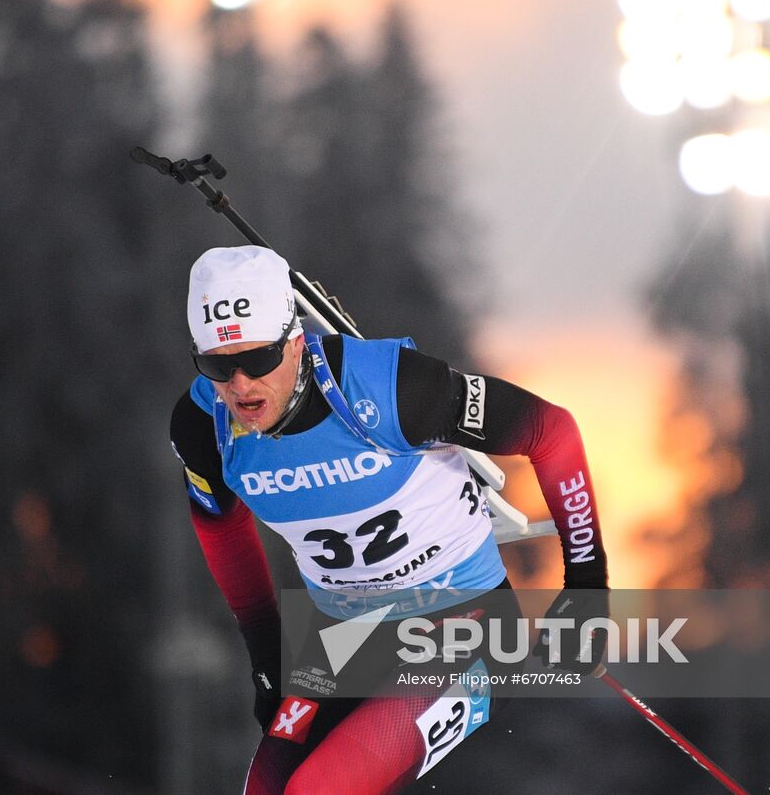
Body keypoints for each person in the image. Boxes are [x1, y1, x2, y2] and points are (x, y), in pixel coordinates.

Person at [169, 245, 610, 794]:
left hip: (464, 625)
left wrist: (588, 590)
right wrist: (265, 654)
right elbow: (222, 527)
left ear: (296, 339)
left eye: (259, 359)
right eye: (216, 365)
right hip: (343, 636)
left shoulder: (389, 390)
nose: (239, 386)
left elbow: (552, 432)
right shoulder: (202, 424)